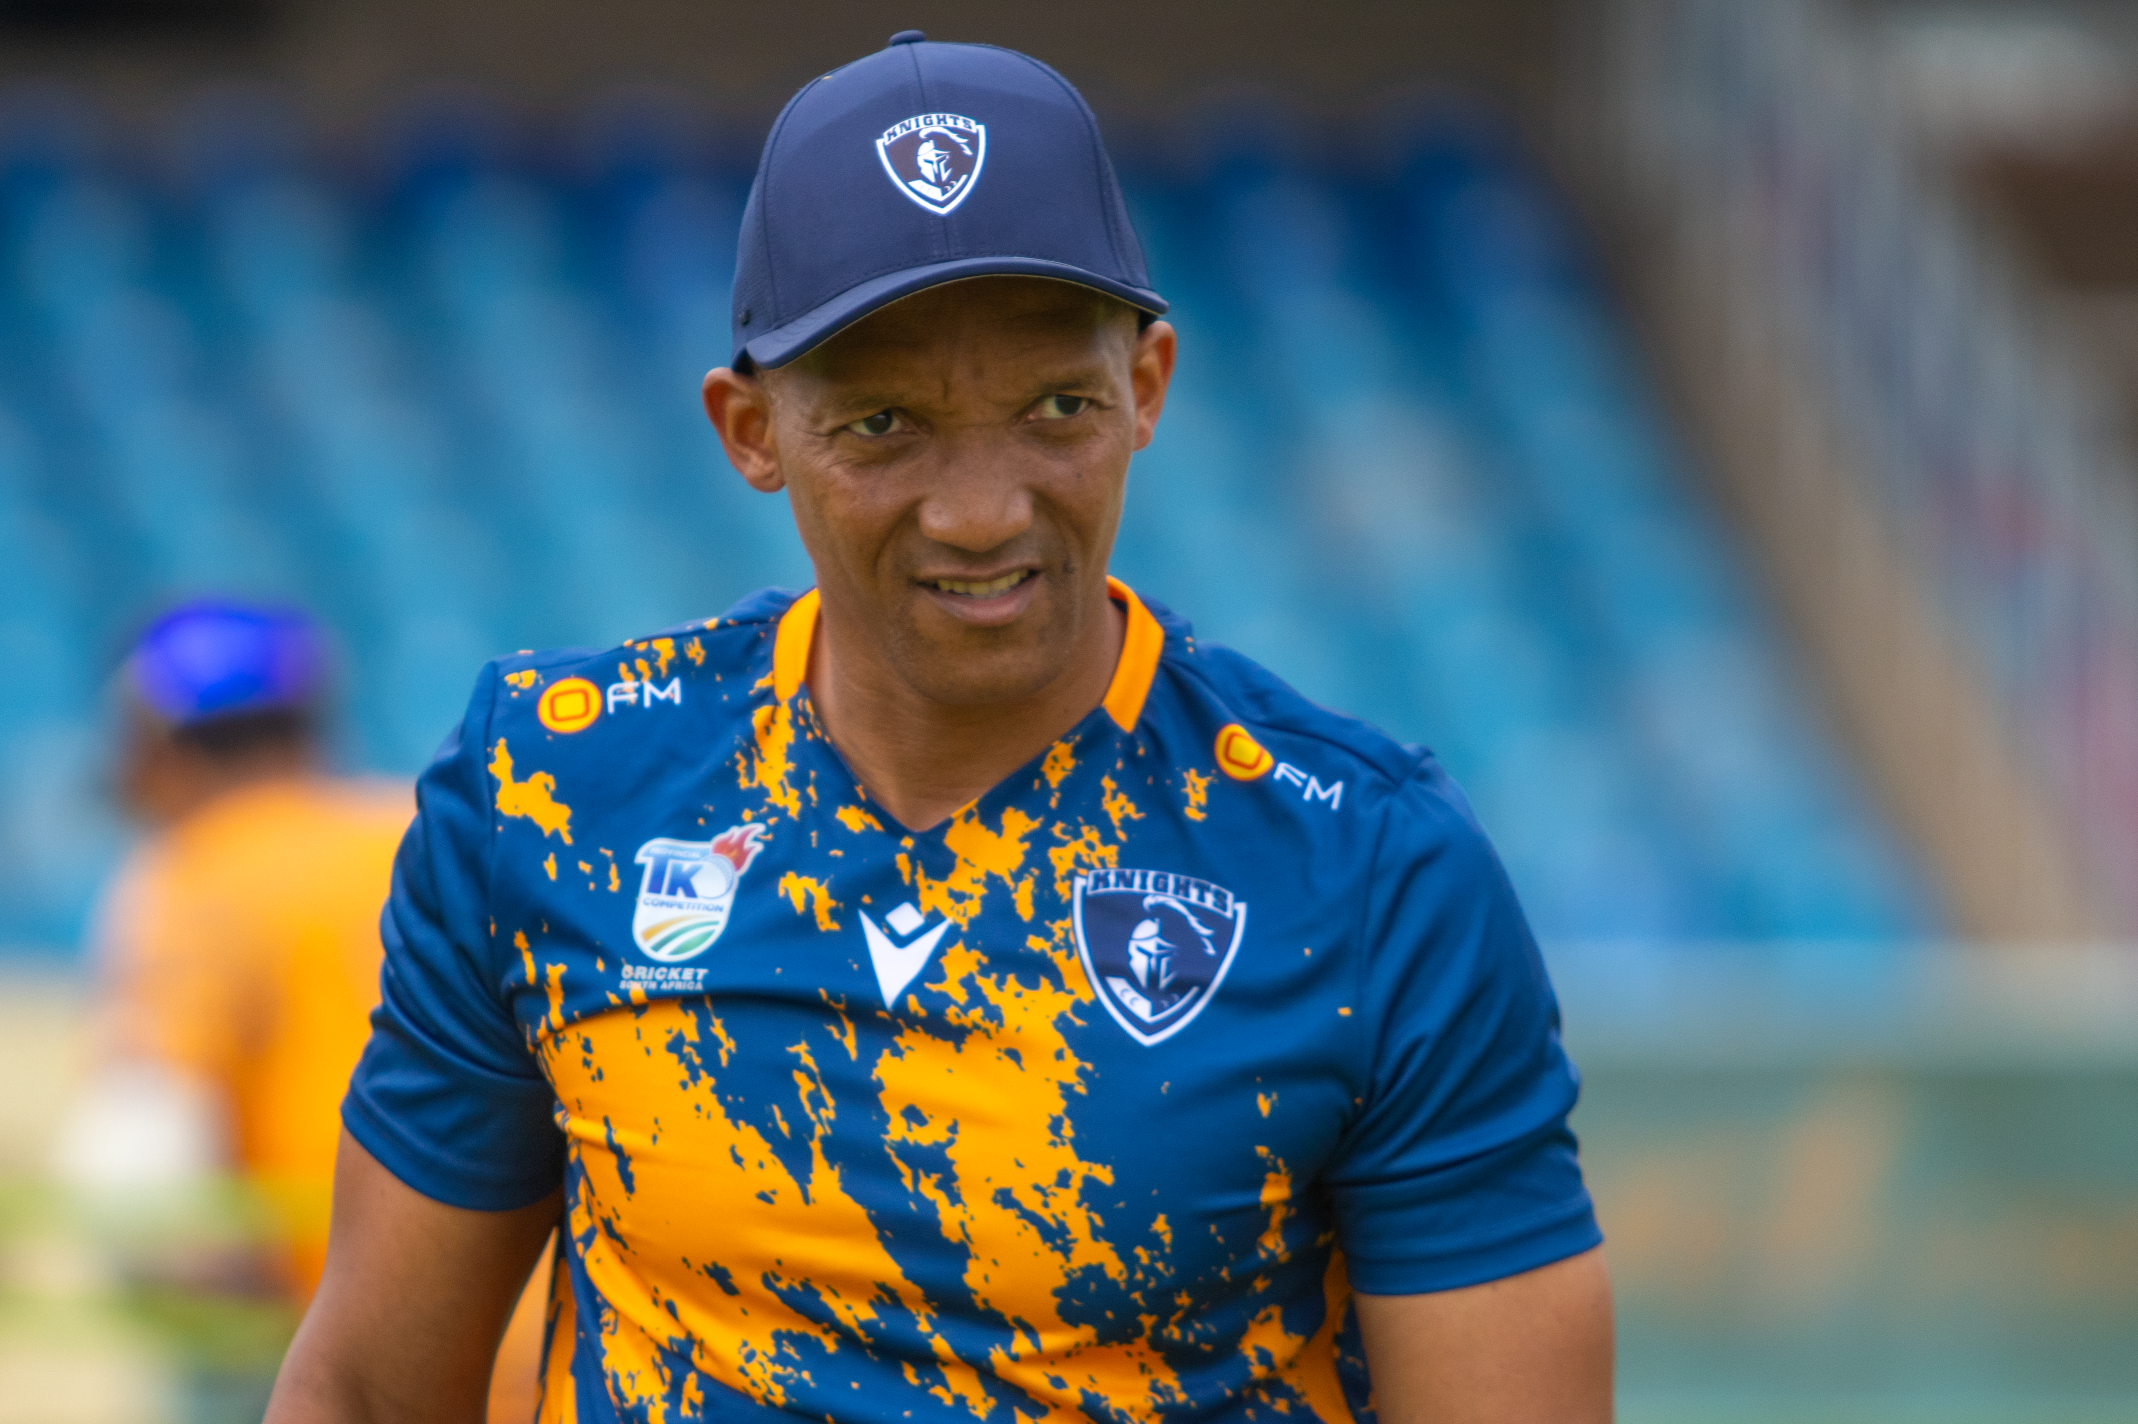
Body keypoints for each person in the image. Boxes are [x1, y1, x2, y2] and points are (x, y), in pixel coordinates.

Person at [270, 32, 1612, 1424]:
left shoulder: (1368, 869)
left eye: (1056, 409)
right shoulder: (550, 789)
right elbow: (365, 1391)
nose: (980, 511)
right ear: (750, 430)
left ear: (1147, 386)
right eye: (882, 424)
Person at [57, 601, 549, 1422]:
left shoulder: (197, 873)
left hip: (364, 1375)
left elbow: (138, 1169)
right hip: (550, 1354)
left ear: (156, 750)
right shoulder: (427, 831)